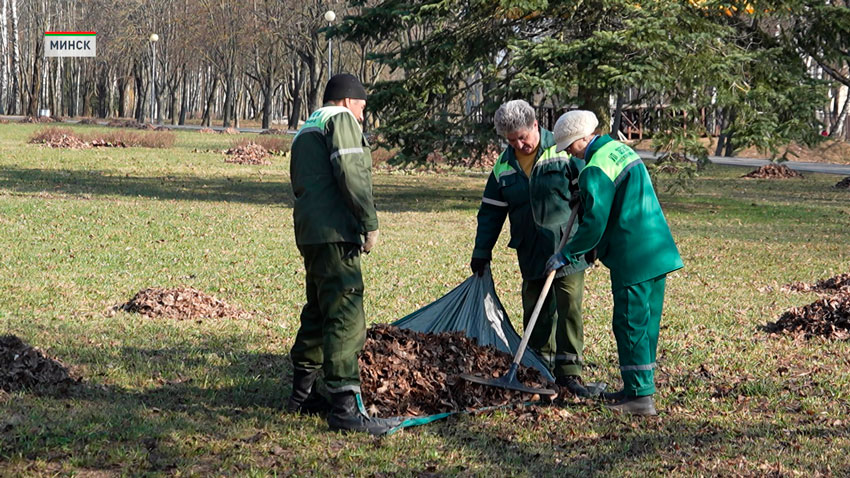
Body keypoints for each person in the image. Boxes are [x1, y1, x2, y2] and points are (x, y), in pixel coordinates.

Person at [546, 110, 684, 416]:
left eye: (570, 146)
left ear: (583, 139)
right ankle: (638, 388)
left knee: (629, 323)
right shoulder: (620, 150)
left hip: (632, 252)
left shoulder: (595, 167)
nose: (569, 152)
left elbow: (595, 222)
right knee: (646, 325)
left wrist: (567, 253)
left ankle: (639, 399)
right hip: (656, 248)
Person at [287, 73, 400, 435]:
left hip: (310, 231)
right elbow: (352, 173)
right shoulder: (341, 120)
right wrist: (368, 221)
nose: (363, 117)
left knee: (319, 308)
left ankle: (301, 395)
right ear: (349, 101)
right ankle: (345, 408)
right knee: (345, 311)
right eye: (363, 108)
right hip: (337, 231)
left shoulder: (307, 127)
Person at [470, 99, 598, 398]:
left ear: (536, 126)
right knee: (535, 312)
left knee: (569, 309)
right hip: (530, 250)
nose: (519, 144)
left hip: (567, 247)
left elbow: (591, 196)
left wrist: (590, 242)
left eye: (523, 137)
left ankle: (569, 374)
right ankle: (538, 368)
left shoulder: (565, 151)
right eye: (511, 140)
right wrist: (481, 251)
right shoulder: (504, 165)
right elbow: (490, 212)